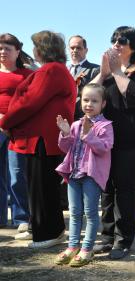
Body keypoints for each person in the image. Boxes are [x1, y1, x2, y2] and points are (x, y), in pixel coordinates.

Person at [0, 30, 76, 249]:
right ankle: (51, 230)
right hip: (45, 138)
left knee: (42, 189)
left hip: (43, 138)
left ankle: (47, 234)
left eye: (35, 46)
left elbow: (29, 102)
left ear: (42, 49)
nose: (32, 50)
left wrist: (5, 122)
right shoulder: (56, 70)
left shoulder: (51, 70)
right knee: (44, 187)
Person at [91, 26, 135, 260]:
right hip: (106, 140)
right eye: (114, 39)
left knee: (125, 191)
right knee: (106, 190)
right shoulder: (109, 72)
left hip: (131, 141)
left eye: (123, 40)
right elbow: (90, 96)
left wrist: (117, 71)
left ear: (134, 46)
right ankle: (107, 237)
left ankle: (123, 240)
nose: (117, 43)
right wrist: (102, 73)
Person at [54, 83, 113, 267]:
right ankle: (72, 247)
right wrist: (65, 132)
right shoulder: (76, 124)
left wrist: (88, 135)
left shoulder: (105, 126)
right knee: (74, 212)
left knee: (90, 212)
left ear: (103, 104)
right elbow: (65, 148)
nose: (89, 104)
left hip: (91, 175)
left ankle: (87, 249)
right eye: (86, 100)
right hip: (73, 173)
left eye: (94, 101)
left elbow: (104, 148)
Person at [0, 34, 33, 232]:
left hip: (18, 130)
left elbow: (31, 102)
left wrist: (10, 120)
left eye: (7, 48)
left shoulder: (27, 74)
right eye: (0, 48)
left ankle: (21, 218)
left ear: (18, 51)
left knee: (17, 174)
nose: (3, 52)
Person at [67, 35, 100, 120]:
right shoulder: (63, 70)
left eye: (78, 48)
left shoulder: (96, 70)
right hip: (64, 118)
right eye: (72, 47)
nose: (75, 50)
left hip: (84, 119)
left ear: (86, 50)